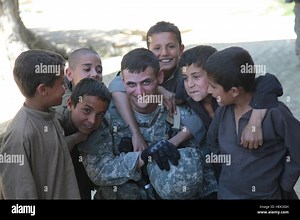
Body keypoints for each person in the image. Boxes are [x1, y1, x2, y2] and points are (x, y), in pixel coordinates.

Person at [108, 21, 276, 151]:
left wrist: (255, 119)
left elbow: (265, 82)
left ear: (181, 49)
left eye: (171, 46)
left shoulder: (191, 71)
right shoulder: (140, 74)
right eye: (157, 48)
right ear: (148, 51)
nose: (164, 53)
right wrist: (159, 88)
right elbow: (117, 85)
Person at [77, 48, 217, 199]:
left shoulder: (179, 115)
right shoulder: (104, 116)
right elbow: (98, 171)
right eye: (131, 84)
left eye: (146, 82)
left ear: (160, 77)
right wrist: (142, 157)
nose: (140, 91)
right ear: (122, 82)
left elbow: (204, 170)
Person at [206, 46, 300, 199]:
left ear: (235, 91)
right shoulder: (222, 113)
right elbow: (213, 143)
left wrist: (284, 184)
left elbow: (297, 148)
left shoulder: (275, 114)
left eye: (213, 87)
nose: (209, 91)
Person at [0, 49, 80, 199]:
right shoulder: (20, 135)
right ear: (43, 89)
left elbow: (53, 153)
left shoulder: (48, 115)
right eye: (61, 83)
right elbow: (19, 195)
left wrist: (79, 137)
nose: (65, 87)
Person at [177, 45, 283, 149]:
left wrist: (255, 121)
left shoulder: (226, 92)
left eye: (196, 77)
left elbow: (268, 81)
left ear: (212, 74)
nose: (190, 84)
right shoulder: (189, 90)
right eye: (185, 78)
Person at [54, 48, 104, 199]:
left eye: (99, 69)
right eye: (87, 69)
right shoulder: (62, 102)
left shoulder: (100, 94)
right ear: (69, 74)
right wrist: (78, 136)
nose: (94, 73)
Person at [57, 78, 111, 199]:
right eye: (87, 110)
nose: (92, 121)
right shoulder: (55, 123)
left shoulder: (101, 124)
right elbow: (51, 153)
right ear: (70, 104)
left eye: (100, 114)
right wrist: (77, 137)